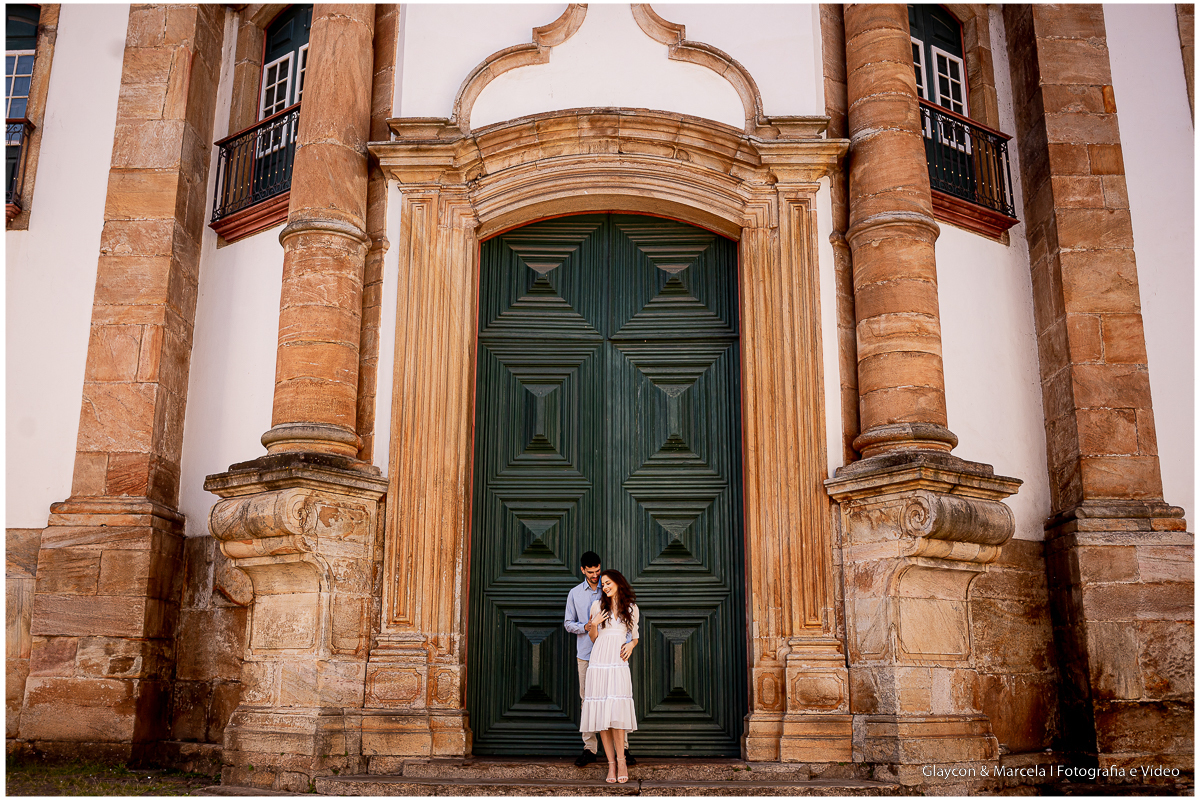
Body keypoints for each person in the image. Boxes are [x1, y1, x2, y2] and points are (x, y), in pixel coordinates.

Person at [564, 553, 637, 769]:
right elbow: (568, 623)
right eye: (591, 572)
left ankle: (622, 749)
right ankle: (589, 748)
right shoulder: (575, 594)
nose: (596, 576)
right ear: (582, 570)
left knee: (615, 699)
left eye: (598, 571)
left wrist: (629, 644)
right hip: (587, 655)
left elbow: (626, 624)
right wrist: (587, 626)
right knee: (588, 700)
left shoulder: (608, 588)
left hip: (613, 656)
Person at [580, 569, 639, 784]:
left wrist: (631, 645)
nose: (604, 586)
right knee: (602, 715)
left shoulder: (631, 608)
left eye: (608, 583)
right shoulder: (597, 606)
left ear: (617, 582)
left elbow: (634, 637)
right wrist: (593, 624)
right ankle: (611, 765)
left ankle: (622, 760)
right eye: (602, 584)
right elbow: (594, 638)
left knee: (617, 712)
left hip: (618, 663)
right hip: (599, 663)